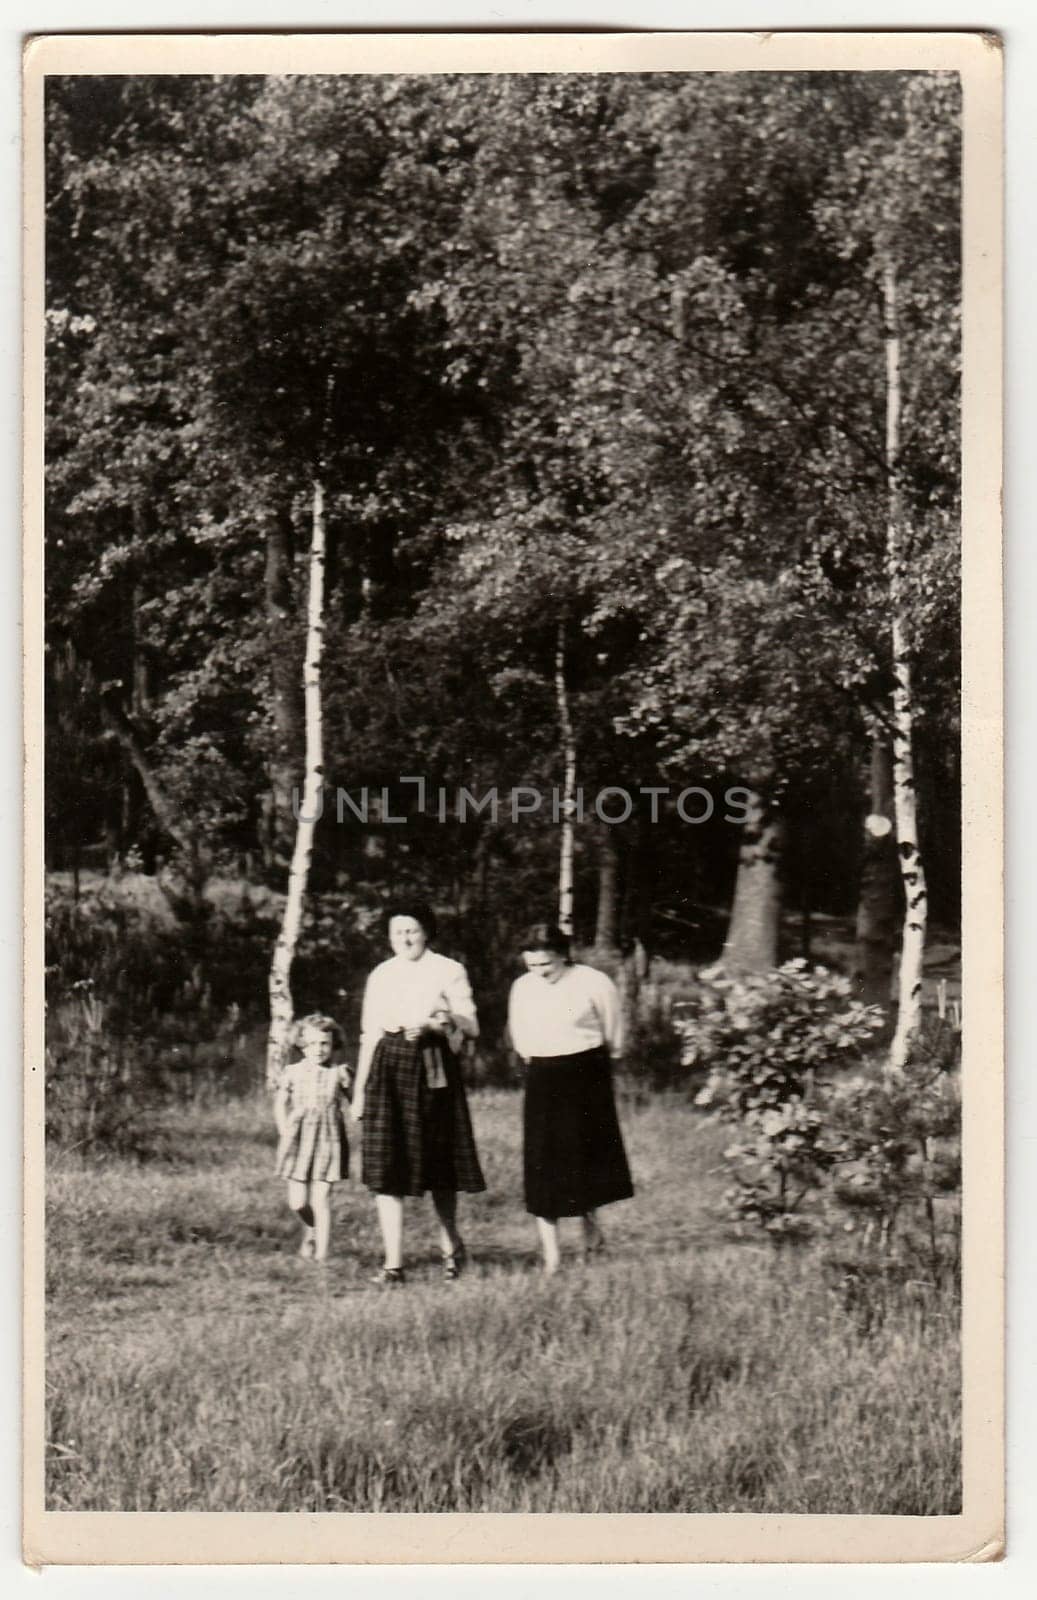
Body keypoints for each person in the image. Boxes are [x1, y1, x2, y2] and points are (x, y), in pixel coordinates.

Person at [351, 900, 485, 1285]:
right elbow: (369, 1035)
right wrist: (360, 1092)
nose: (405, 938)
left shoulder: (448, 970)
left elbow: (471, 1025)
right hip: (388, 1067)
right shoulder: (381, 974)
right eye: (397, 932)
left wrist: (436, 1024)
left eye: (411, 930)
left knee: (439, 1165)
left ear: (426, 931)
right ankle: (393, 1264)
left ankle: (451, 1247)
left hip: (433, 1068)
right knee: (385, 1165)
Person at [508, 923, 633, 1275]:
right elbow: (521, 1035)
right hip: (543, 1076)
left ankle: (591, 1241)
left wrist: (604, 1064)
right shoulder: (522, 987)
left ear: (563, 954)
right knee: (543, 1162)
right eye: (531, 966)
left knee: (585, 1158)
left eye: (545, 965)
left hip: (586, 1074)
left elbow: (614, 1033)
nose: (539, 973)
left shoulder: (594, 982)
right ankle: (552, 1256)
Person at [273, 1013, 352, 1264]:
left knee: (322, 1198)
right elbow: (280, 1104)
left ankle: (322, 1258)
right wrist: (284, 1128)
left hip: (329, 1140)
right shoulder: (292, 1072)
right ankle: (313, 1229)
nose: (318, 1050)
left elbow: (357, 1103)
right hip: (298, 1139)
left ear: (333, 1044)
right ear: (301, 1044)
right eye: (312, 1044)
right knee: (298, 1202)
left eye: (324, 1044)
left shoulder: (339, 1073)